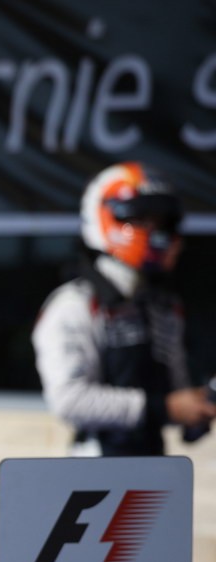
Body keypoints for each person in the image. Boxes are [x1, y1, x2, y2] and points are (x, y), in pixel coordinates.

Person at [33, 161, 216, 456]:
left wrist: (197, 409)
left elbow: (177, 393)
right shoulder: (74, 304)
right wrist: (164, 407)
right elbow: (68, 400)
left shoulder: (165, 307)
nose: (158, 233)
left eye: (163, 223)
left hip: (155, 468)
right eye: (144, 219)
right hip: (95, 469)